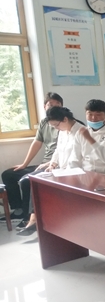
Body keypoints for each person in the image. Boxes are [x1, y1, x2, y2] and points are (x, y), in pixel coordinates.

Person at [18, 107, 85, 236]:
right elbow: (58, 150)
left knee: (40, 182)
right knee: (30, 180)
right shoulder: (63, 131)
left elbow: (78, 159)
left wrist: (62, 172)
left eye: (56, 125)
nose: (56, 128)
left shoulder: (81, 132)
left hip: (74, 172)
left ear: (65, 119)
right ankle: (32, 218)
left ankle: (35, 220)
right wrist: (53, 163)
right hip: (60, 170)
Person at [1, 92, 62, 228]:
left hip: (54, 165)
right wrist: (24, 164)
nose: (53, 108)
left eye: (57, 105)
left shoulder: (64, 123)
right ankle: (18, 210)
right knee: (8, 174)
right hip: (43, 164)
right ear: (44, 107)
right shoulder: (44, 122)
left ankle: (28, 217)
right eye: (50, 105)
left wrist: (51, 163)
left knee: (26, 181)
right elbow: (37, 143)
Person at [70, 99, 105, 177]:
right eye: (90, 114)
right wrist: (73, 176)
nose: (93, 118)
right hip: (86, 175)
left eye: (98, 115)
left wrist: (90, 139)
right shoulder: (81, 132)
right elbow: (75, 158)